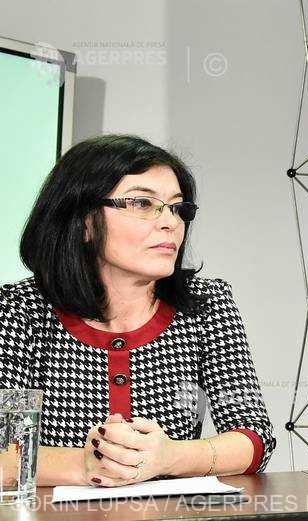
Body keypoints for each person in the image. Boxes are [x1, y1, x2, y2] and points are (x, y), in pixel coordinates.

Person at [0, 135, 275, 487]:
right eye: (143, 203)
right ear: (84, 221)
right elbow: (5, 450)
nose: (170, 222)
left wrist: (170, 456)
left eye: (177, 208)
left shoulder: (207, 303)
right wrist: (83, 465)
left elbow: (254, 438)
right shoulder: (20, 310)